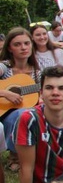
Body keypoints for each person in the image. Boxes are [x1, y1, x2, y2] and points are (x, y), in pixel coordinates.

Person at [0, 28, 42, 171]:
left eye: (26, 43)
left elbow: (43, 92)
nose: (23, 47)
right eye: (17, 44)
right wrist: (5, 93)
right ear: (10, 48)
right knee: (22, 113)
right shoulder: (4, 67)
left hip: (28, 112)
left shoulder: (38, 73)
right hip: (4, 114)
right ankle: (14, 156)